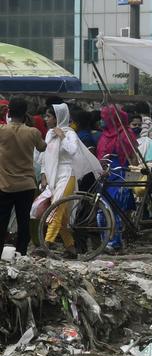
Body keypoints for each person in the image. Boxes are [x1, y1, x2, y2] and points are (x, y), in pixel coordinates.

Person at [35, 104, 104, 257]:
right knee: (62, 214)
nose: (46, 119)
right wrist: (44, 175)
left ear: (58, 118)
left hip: (68, 174)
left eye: (49, 116)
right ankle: (70, 247)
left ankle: (46, 243)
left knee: (56, 208)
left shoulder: (70, 133)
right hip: (54, 176)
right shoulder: (49, 134)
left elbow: (73, 151)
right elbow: (45, 158)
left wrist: (62, 136)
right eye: (46, 116)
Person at [0, 98, 47, 254]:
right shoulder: (33, 132)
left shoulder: (2, 130)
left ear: (9, 112)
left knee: (2, 220)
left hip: (5, 185)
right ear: (25, 112)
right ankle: (21, 252)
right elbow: (42, 147)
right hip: (26, 185)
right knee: (23, 220)